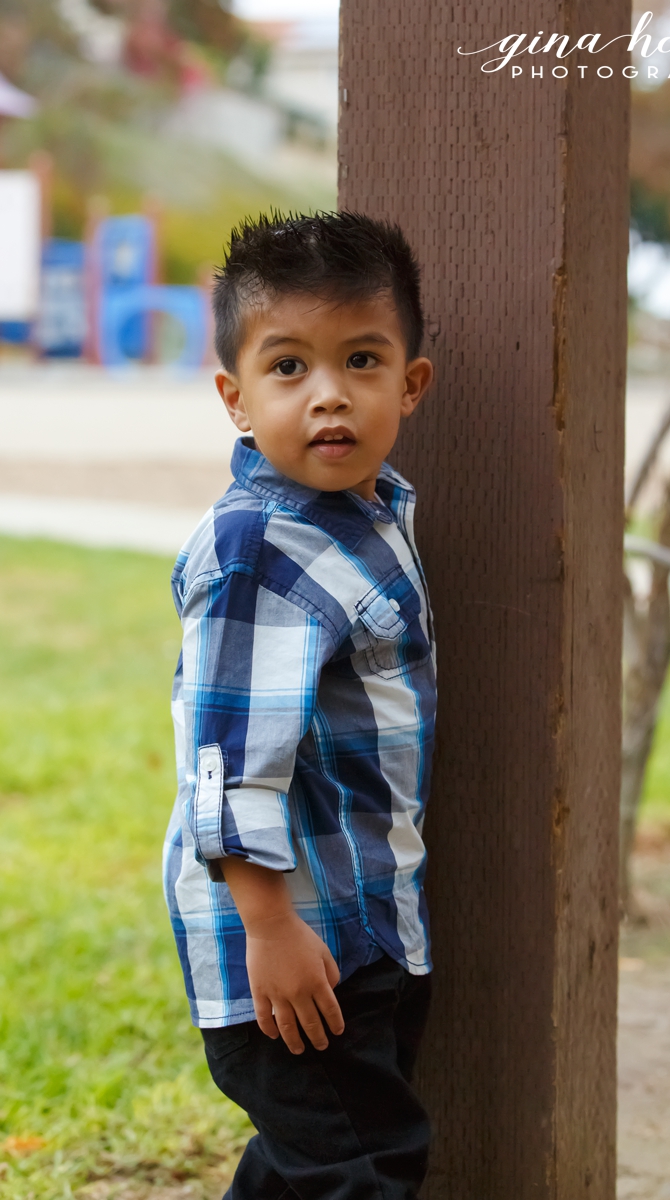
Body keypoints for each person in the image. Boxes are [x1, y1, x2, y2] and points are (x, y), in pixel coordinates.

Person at [162, 210, 437, 1200]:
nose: (327, 395)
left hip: (356, 927)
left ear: (410, 384)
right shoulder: (261, 553)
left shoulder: (364, 516)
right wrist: (269, 929)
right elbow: (228, 764)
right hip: (293, 938)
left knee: (309, 1167)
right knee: (358, 1171)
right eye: (288, 368)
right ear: (235, 397)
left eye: (360, 360)